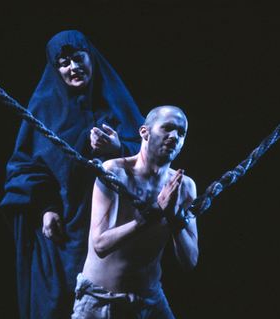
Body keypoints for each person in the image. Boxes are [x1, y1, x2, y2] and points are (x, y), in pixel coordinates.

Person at [0, 30, 145, 319]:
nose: (73, 67)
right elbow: (24, 167)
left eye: (78, 58)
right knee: (64, 303)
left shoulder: (117, 102)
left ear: (91, 58)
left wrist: (118, 147)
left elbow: (149, 153)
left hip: (115, 226)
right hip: (68, 230)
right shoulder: (44, 108)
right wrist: (46, 208)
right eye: (64, 63)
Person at [72, 105, 198, 319]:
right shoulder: (114, 172)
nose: (174, 136)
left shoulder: (184, 186)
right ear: (144, 132)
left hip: (150, 300)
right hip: (99, 302)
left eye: (181, 133)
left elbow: (190, 261)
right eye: (167, 128)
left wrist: (175, 217)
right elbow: (101, 245)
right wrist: (156, 212)